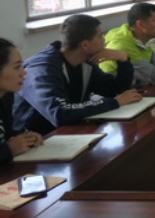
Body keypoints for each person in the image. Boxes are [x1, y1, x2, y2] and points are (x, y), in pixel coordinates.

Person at [13, 15, 141, 135]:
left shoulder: (84, 63)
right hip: (36, 139)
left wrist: (123, 60)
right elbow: (59, 113)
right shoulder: (42, 69)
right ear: (85, 45)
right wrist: (114, 102)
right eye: (100, 36)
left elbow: (115, 91)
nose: (104, 40)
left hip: (69, 132)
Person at [0, 39, 43, 163]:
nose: (24, 73)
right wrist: (8, 150)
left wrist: (24, 138)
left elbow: (5, 135)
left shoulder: (6, 96)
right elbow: (7, 147)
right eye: (17, 67)